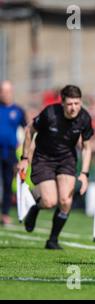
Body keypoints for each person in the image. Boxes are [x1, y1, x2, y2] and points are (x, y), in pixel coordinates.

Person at [17, 85, 93, 249]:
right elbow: (30, 130)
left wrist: (85, 173)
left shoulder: (84, 118)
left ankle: (52, 240)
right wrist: (24, 158)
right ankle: (35, 206)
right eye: (70, 104)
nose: (74, 108)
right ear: (62, 103)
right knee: (50, 201)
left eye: (77, 103)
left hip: (66, 159)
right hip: (44, 158)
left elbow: (87, 147)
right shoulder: (50, 113)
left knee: (65, 201)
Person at [0, 81, 27, 226]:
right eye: (3, 91)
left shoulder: (18, 111)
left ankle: (4, 214)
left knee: (7, 182)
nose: (6, 94)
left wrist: (24, 150)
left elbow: (27, 129)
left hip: (9, 151)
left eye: (8, 91)